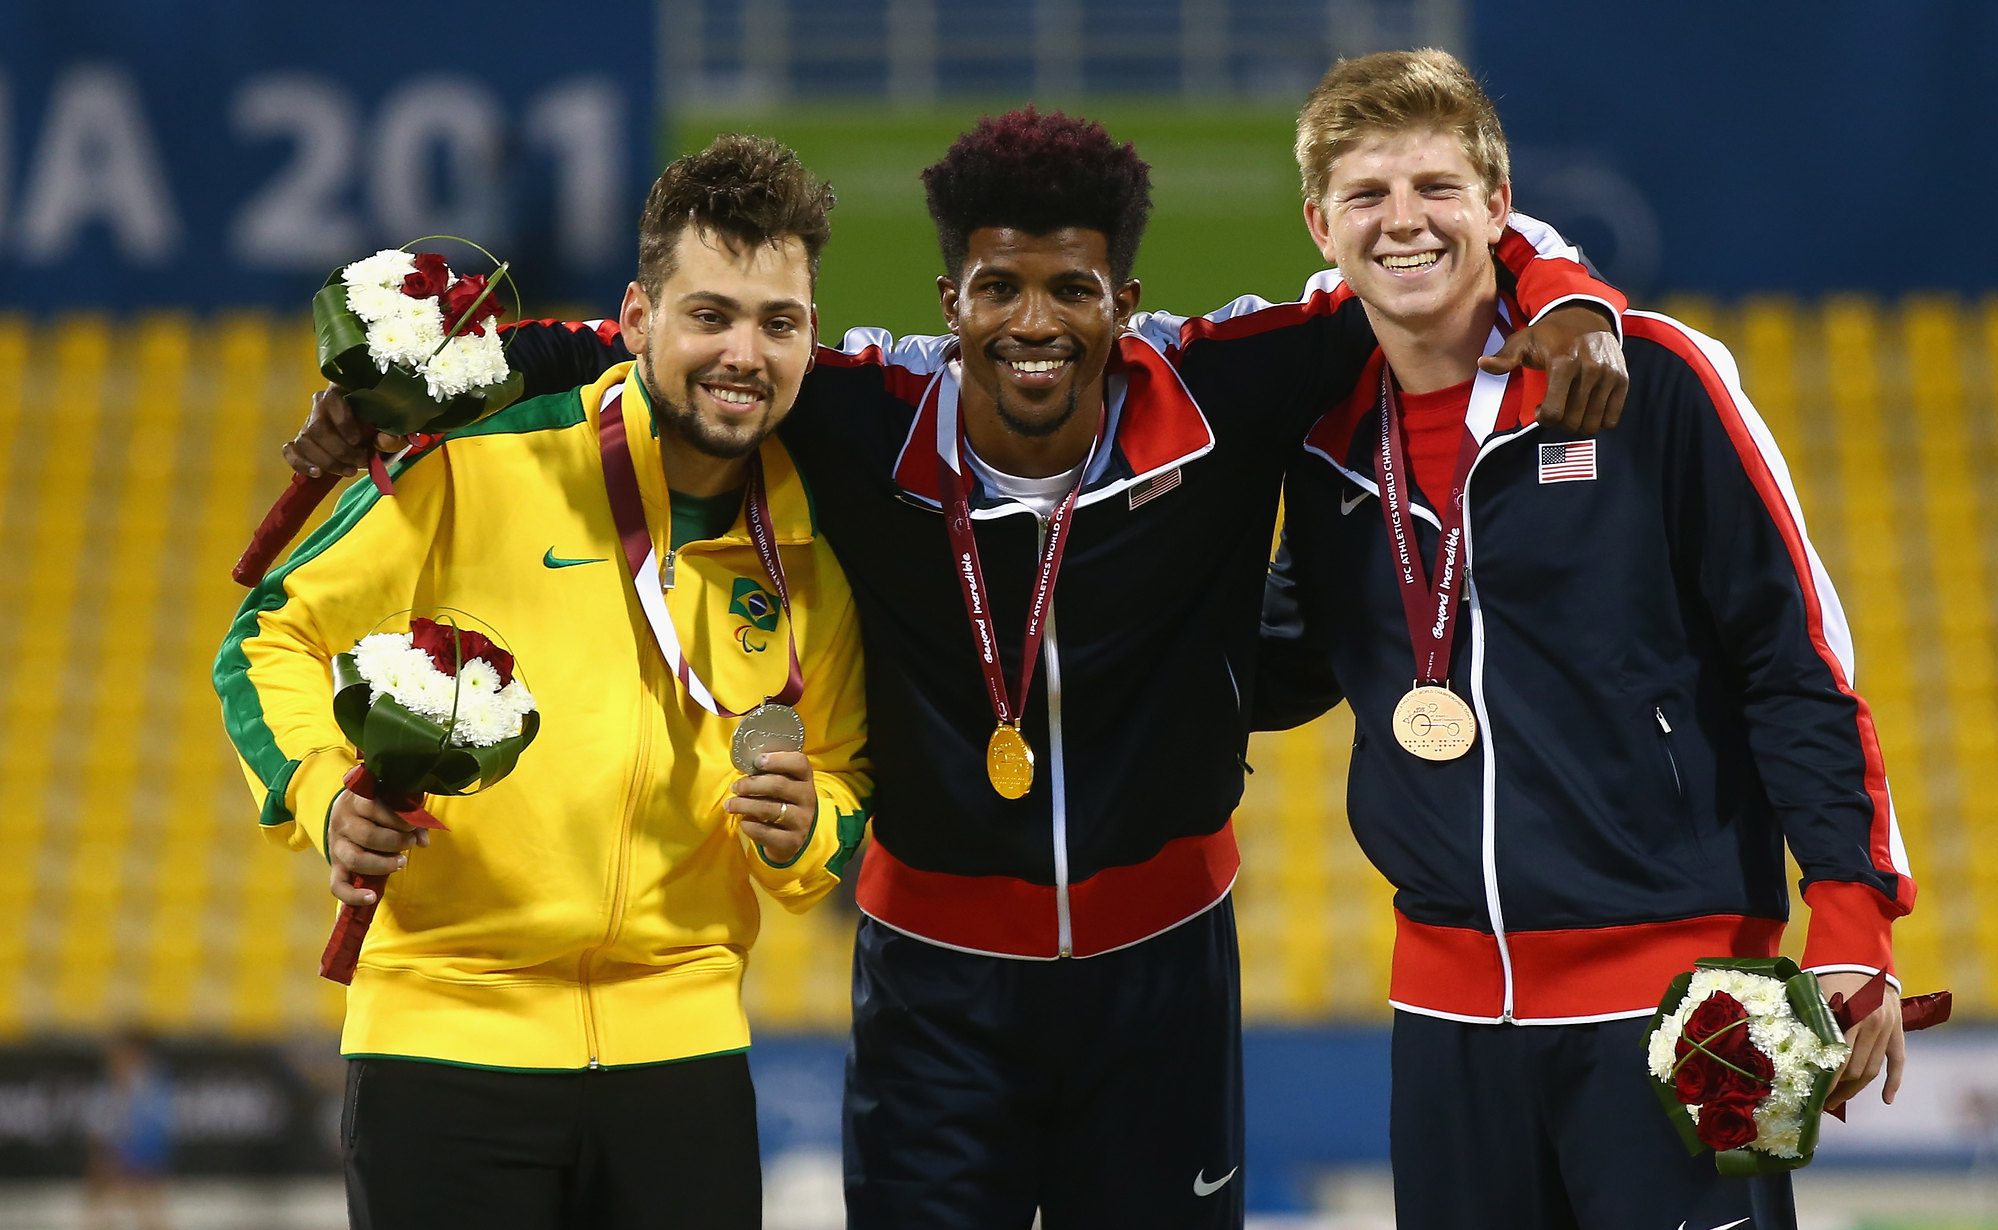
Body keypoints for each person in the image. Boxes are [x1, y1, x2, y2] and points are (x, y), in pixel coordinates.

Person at [280, 108, 1627, 1227]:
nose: (1032, 321)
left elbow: (1424, 260)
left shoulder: (1228, 389)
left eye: (1072, 289)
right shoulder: (859, 411)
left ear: (1128, 302)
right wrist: (419, 382)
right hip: (931, 984)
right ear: (950, 302)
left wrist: (1564, 293)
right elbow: (663, 352)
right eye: (998, 288)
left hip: (1160, 973)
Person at [1256, 50, 1913, 1229]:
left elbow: (1794, 662)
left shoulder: (1652, 379)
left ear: (1499, 208)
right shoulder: (1320, 426)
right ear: (1318, 222)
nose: (1402, 221)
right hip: (1449, 1012)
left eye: (1435, 189)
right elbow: (1292, 654)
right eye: (1364, 196)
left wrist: (1852, 924)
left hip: (1687, 999)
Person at [214, 135, 872, 1229]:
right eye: (708, 314)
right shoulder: (481, 451)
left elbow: (845, 791)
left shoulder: (814, 540)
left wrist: (807, 827)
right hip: (445, 1036)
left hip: (686, 1054)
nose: (743, 352)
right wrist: (322, 793)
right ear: (635, 318)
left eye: (777, 322)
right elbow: (267, 635)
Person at [82, 1031, 172, 1230]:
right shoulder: (106, 1090)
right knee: (101, 1202)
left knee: (149, 1208)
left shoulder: (150, 1089)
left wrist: (134, 1156)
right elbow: (97, 1129)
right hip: (114, 1155)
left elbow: (156, 1131)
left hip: (143, 1156)